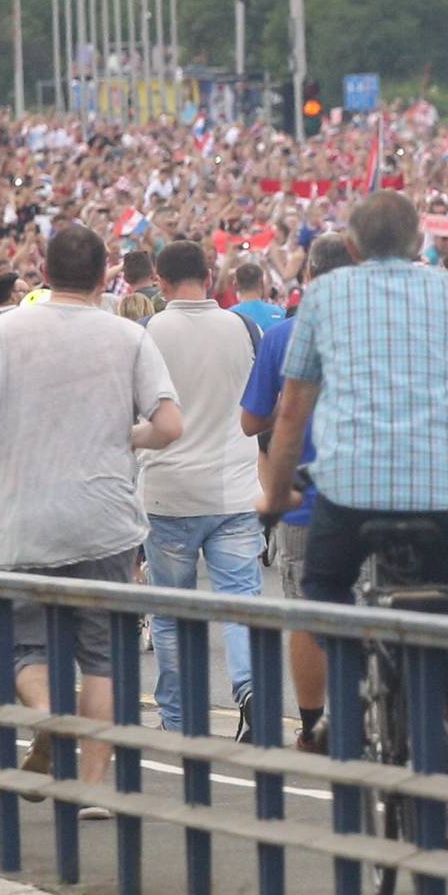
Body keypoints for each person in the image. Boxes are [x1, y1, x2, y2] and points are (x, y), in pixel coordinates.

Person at [258, 188, 448, 838]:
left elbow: (291, 413)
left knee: (324, 588)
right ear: (422, 243)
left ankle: (351, 676)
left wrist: (276, 498)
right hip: (446, 494)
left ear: (352, 248)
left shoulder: (326, 298)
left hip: (349, 492)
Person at [0, 222, 182, 781]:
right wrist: (126, 437)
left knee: (22, 645)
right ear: (104, 275)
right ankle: (96, 787)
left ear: (45, 272)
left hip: (24, 516)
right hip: (104, 517)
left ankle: (47, 713)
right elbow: (169, 425)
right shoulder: (128, 337)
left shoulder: (6, 330)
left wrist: (1, 453)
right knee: (102, 656)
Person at [142, 238, 265, 740]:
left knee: (171, 613)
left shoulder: (149, 332)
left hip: (168, 488)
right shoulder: (244, 327)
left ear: (161, 281)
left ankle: (178, 717)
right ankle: (251, 687)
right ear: (210, 275)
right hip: (233, 486)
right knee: (240, 603)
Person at [240, 230, 354, 748]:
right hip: (370, 490)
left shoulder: (285, 335)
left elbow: (251, 421)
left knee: (307, 613)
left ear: (308, 276)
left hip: (305, 498)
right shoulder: (371, 327)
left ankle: (312, 725)